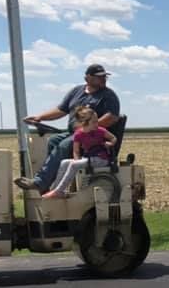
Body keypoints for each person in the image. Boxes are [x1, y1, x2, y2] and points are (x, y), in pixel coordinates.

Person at [14, 64, 120, 192]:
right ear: (87, 78)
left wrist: (87, 128)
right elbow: (60, 110)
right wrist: (40, 118)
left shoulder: (108, 95)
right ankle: (50, 183)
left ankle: (40, 182)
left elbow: (112, 117)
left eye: (104, 76)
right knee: (53, 141)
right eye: (99, 77)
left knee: (64, 145)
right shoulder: (76, 91)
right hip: (74, 133)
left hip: (93, 138)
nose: (103, 79)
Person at [42, 107, 117, 199]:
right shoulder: (78, 134)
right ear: (85, 123)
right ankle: (55, 189)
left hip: (101, 159)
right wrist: (76, 161)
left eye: (96, 121)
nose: (97, 124)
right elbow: (76, 151)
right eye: (94, 122)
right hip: (88, 158)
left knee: (73, 165)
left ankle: (58, 191)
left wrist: (110, 143)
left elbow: (113, 138)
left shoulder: (100, 131)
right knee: (64, 162)